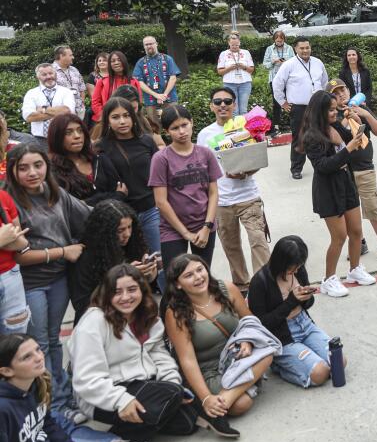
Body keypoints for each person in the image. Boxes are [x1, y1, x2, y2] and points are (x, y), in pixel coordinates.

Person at [69, 264, 204, 442]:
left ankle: (139, 422)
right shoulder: (94, 322)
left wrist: (172, 384)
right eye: (117, 292)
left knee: (188, 422)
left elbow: (159, 356)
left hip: (143, 383)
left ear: (142, 290)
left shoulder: (148, 316)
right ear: (106, 293)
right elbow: (87, 379)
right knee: (172, 399)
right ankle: (125, 441)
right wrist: (121, 400)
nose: (126, 297)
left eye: (132, 289)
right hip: (104, 396)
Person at [6, 144, 89, 412]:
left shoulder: (55, 193)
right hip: (29, 284)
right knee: (38, 344)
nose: (32, 172)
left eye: (38, 165)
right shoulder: (8, 200)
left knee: (53, 340)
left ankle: (61, 398)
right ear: (13, 171)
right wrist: (63, 251)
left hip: (58, 279)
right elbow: (20, 254)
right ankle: (49, 405)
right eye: (23, 168)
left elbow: (87, 215)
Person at [162, 255, 264, 437]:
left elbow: (249, 320)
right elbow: (188, 361)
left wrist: (247, 340)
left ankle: (223, 401)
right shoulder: (175, 312)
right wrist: (206, 398)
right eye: (189, 275)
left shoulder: (227, 289)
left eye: (200, 270)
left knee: (268, 349)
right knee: (242, 405)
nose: (198, 277)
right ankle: (222, 399)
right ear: (178, 284)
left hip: (237, 357)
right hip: (209, 371)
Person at [301, 91, 376, 297]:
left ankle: (354, 270)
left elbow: (350, 144)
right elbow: (323, 166)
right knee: (339, 237)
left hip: (346, 183)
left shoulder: (334, 126)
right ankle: (329, 279)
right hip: (328, 190)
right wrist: (348, 149)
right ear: (320, 112)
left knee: (356, 232)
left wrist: (354, 123)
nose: (335, 112)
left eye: (336, 109)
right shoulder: (311, 136)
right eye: (331, 110)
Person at [196, 87, 270, 293]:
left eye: (227, 101)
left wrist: (245, 172)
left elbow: (258, 159)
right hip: (221, 201)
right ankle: (242, 285)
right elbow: (202, 168)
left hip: (248, 197)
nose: (222, 106)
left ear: (234, 105)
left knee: (258, 241)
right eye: (217, 102)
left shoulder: (246, 128)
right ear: (211, 106)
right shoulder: (205, 135)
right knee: (231, 246)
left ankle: (264, 285)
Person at [247, 235, 343, 389]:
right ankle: (280, 366)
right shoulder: (260, 282)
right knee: (320, 373)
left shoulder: (298, 270)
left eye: (299, 266)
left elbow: (308, 303)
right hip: (282, 337)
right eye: (293, 267)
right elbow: (262, 324)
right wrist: (291, 301)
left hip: (305, 325)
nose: (297, 270)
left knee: (339, 362)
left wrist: (305, 297)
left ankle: (302, 360)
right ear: (281, 263)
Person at [327, 80, 377, 263]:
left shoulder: (362, 107)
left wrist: (365, 114)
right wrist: (348, 115)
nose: (341, 95)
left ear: (348, 90)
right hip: (344, 170)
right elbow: (338, 136)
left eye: (343, 90)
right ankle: (359, 242)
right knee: (351, 211)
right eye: (336, 93)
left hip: (364, 168)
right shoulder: (332, 115)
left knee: (372, 207)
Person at [94, 97, 163, 276]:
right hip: (121, 216)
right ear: (107, 120)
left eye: (126, 115)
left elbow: (160, 174)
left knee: (158, 261)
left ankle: (169, 301)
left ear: (133, 117)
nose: (122, 121)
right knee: (126, 266)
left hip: (150, 210)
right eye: (115, 117)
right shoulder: (101, 147)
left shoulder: (146, 141)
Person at [148, 105, 221, 271]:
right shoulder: (161, 159)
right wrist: (185, 233)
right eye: (175, 128)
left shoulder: (205, 153)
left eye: (184, 125)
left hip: (204, 225)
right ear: (166, 131)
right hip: (172, 229)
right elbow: (161, 201)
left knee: (202, 275)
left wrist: (207, 226)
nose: (181, 131)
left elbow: (213, 192)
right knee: (176, 280)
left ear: (192, 123)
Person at [68, 200, 156, 316]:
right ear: (105, 232)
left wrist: (150, 273)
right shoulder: (86, 257)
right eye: (120, 230)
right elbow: (81, 303)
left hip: (132, 316)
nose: (127, 234)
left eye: (130, 227)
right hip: (100, 318)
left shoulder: (135, 246)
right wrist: (125, 275)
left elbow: (147, 288)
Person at [0, 334, 79, 442]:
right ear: (6, 371)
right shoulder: (3, 408)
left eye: (38, 349)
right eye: (27, 357)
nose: (39, 357)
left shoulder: (37, 382)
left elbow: (46, 424)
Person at [272, 37, 329, 180]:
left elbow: (324, 82)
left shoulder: (318, 63)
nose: (305, 51)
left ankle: (324, 163)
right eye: (302, 48)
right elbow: (277, 84)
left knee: (322, 135)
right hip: (298, 108)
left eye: (307, 47)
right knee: (299, 138)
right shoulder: (289, 65)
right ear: (295, 49)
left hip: (317, 106)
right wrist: (283, 103)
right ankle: (296, 168)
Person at [0, 188, 31, 335]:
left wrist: (19, 243)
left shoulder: (3, 196)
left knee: (16, 341)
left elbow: (21, 243)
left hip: (10, 277)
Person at [22, 63, 76, 140]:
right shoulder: (31, 93)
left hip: (63, 137)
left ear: (55, 74)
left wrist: (43, 109)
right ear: (38, 77)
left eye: (51, 73)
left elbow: (68, 112)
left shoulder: (66, 92)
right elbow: (28, 117)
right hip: (39, 139)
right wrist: (58, 113)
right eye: (44, 74)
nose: (49, 77)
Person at [131, 36, 181, 118]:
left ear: (156, 44)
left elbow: (173, 77)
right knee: (155, 126)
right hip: (150, 101)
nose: (149, 46)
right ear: (144, 46)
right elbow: (139, 82)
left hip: (169, 98)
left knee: (173, 122)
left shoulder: (167, 59)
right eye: (146, 44)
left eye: (151, 43)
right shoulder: (140, 63)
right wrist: (156, 95)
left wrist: (164, 95)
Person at [90, 51, 140, 129]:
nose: (116, 63)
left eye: (119, 60)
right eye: (113, 61)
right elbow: (95, 102)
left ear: (124, 61)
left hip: (129, 120)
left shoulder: (134, 82)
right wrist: (105, 116)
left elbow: (138, 103)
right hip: (105, 120)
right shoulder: (102, 82)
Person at [107, 85, 162, 149]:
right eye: (125, 109)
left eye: (133, 108)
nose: (130, 113)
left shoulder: (144, 121)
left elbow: (160, 144)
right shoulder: (105, 128)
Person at [263, 31, 295, 135]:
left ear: (284, 39)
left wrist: (286, 63)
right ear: (274, 40)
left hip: (288, 79)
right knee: (277, 103)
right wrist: (273, 62)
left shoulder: (289, 48)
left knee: (290, 101)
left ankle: (293, 124)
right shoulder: (269, 49)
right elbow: (265, 65)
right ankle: (276, 126)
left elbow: (295, 62)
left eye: (281, 40)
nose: (279, 42)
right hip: (275, 79)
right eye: (277, 40)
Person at [216, 32, 254, 116]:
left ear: (239, 43)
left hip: (245, 84)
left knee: (243, 110)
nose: (235, 47)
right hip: (230, 84)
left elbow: (251, 70)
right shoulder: (223, 54)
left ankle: (243, 128)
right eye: (232, 45)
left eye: (236, 45)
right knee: (234, 110)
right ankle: (235, 128)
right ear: (229, 43)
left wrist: (243, 67)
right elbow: (219, 71)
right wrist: (229, 68)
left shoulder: (246, 52)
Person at [51, 46, 87, 120]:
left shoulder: (74, 70)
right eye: (70, 55)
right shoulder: (50, 71)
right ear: (61, 56)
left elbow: (82, 88)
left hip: (79, 112)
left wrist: (82, 103)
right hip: (61, 113)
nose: (73, 57)